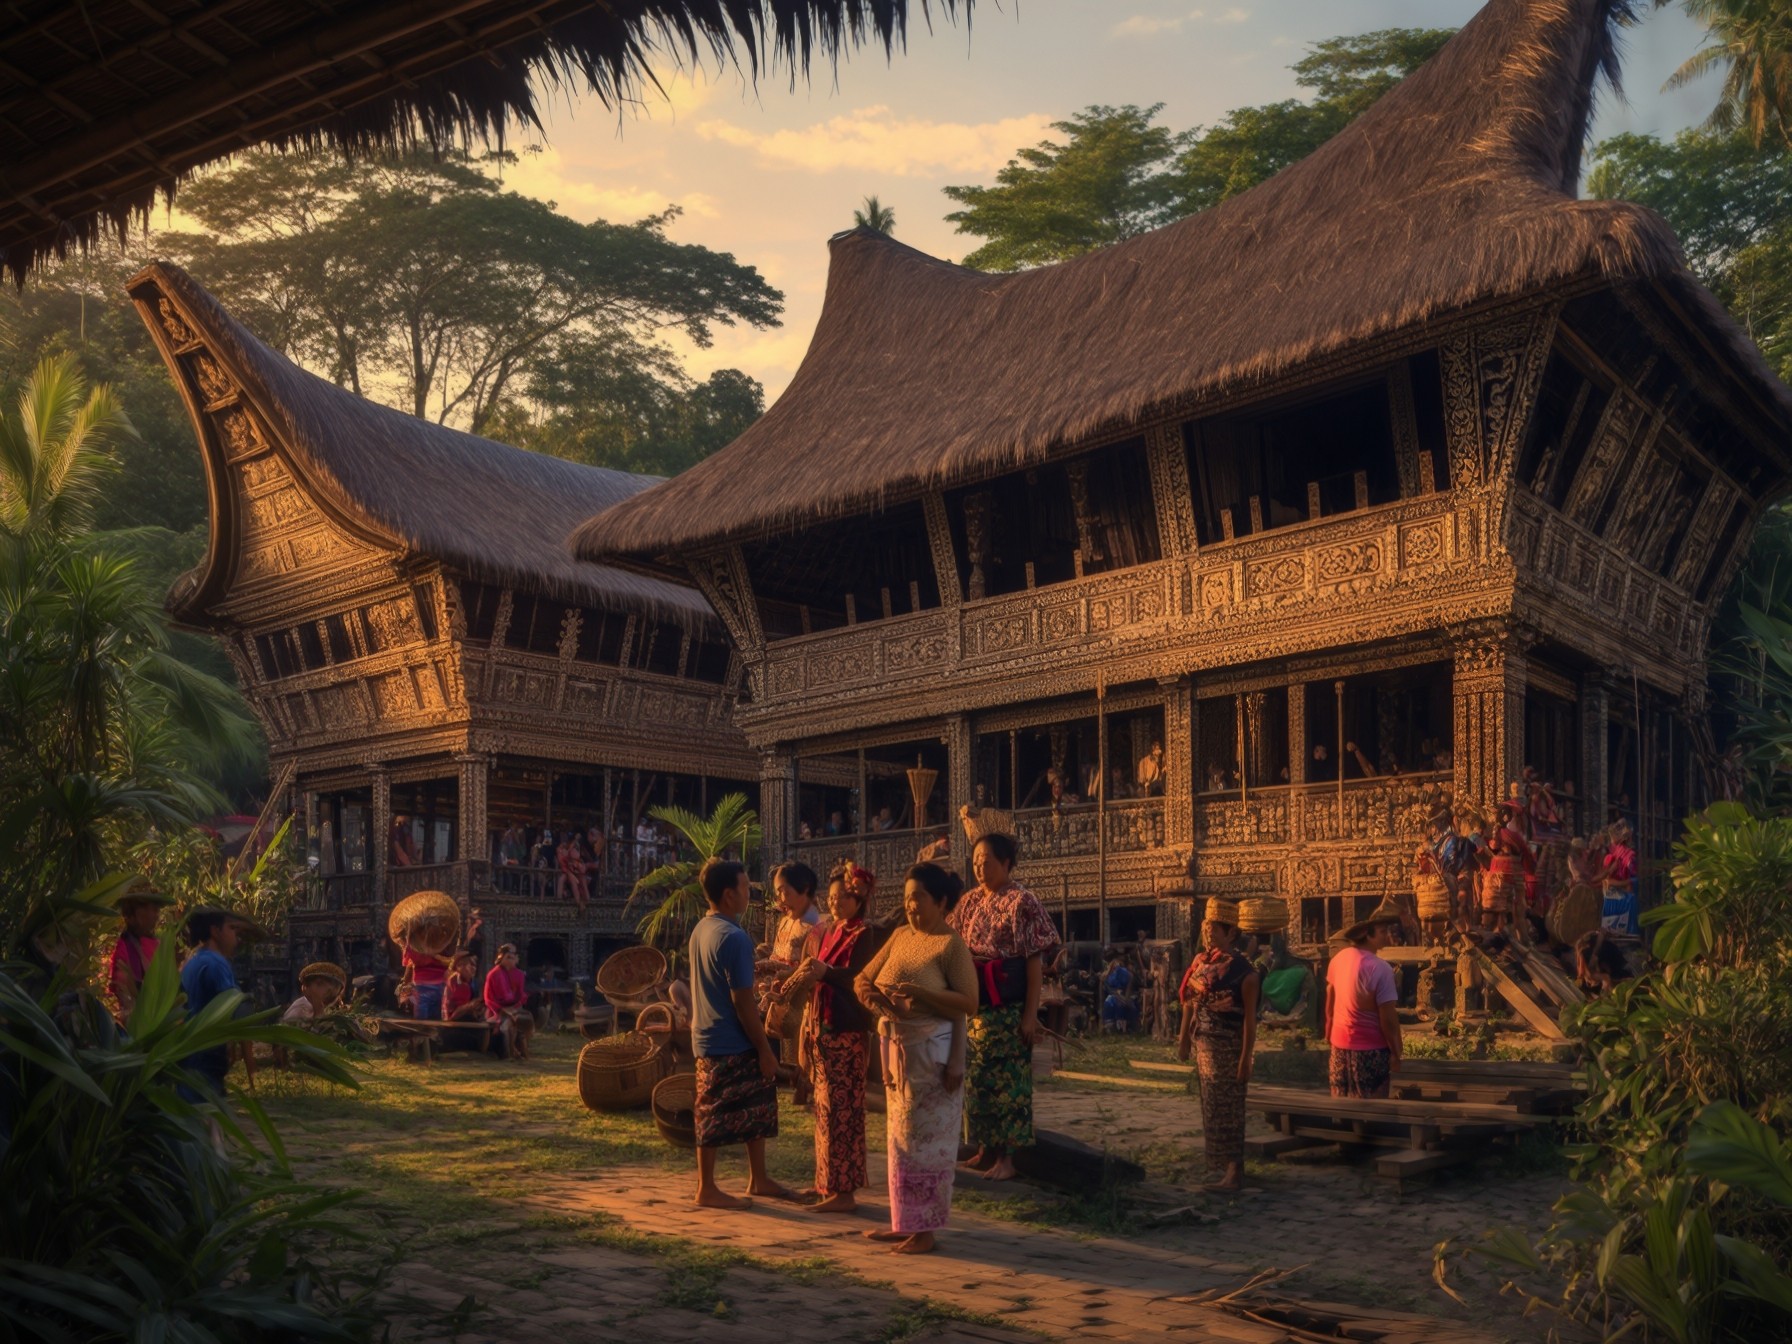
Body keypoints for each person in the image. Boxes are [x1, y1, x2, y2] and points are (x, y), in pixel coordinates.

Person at [855, 862, 978, 1254]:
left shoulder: (950, 945)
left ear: (941, 902)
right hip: (898, 1053)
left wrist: (923, 996)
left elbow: (968, 1004)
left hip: (934, 1056)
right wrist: (873, 998)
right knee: (899, 1140)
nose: (911, 907)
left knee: (929, 1143)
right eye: (907, 899)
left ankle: (924, 1230)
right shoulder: (900, 936)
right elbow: (863, 977)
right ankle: (902, 1221)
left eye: (919, 899)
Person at [949, 824, 1059, 1182]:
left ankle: (1008, 1159)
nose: (980, 867)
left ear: (1007, 862)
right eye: (976, 861)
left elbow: (1032, 962)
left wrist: (1030, 1015)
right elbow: (951, 943)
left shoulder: (1022, 901)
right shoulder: (968, 901)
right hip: (975, 1006)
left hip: (1008, 1004)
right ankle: (985, 1149)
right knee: (979, 1081)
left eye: (988, 861)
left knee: (1008, 1084)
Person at [689, 858, 791, 1208]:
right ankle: (707, 1188)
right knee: (713, 1111)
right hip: (731, 1036)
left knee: (757, 1105)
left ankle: (758, 1178)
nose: (751, 893)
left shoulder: (703, 929)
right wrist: (764, 1049)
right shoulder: (734, 937)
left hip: (706, 1034)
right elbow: (743, 1002)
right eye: (746, 887)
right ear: (730, 895)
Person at [785, 864, 888, 1212]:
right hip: (822, 1028)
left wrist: (825, 972)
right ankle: (825, 1181)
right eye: (830, 899)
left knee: (843, 1111)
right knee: (825, 1109)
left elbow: (858, 977)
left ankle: (843, 1191)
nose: (835, 905)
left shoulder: (865, 935)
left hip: (846, 1030)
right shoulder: (827, 932)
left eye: (841, 898)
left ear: (858, 898)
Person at [1176, 899, 1259, 1191]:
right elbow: (1189, 1000)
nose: (1208, 932)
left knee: (1230, 1108)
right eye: (1206, 926)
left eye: (1213, 927)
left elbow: (1250, 1019)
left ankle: (1234, 1171)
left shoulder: (1242, 970)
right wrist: (1184, 1036)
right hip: (1204, 1044)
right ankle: (1222, 1166)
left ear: (1230, 932)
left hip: (1229, 1045)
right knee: (1211, 1107)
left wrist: (1246, 1056)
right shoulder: (1201, 961)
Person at [1324, 900, 1403, 1099]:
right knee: (1373, 1112)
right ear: (1367, 935)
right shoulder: (1380, 968)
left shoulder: (1338, 959)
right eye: (1383, 932)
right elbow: (1388, 1018)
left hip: (1339, 1046)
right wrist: (1396, 1051)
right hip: (1371, 1050)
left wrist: (1328, 1030)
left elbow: (1330, 1002)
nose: (1388, 936)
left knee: (1341, 1106)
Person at [762, 860, 825, 1104]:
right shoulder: (786, 920)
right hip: (780, 993)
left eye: (785, 891)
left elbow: (813, 966)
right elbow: (778, 953)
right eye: (778, 891)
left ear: (805, 889)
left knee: (804, 1048)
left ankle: (805, 1086)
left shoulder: (817, 925)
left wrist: (785, 972)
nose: (780, 897)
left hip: (805, 997)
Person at [179, 907, 243, 1096]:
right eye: (231, 929)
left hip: (189, 1051)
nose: (236, 936)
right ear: (215, 931)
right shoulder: (216, 963)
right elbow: (230, 1005)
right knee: (210, 1114)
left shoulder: (192, 962)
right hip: (208, 1051)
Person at [106, 885, 170, 1023]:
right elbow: (123, 989)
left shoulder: (156, 943)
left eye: (156, 910)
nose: (156, 915)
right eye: (152, 909)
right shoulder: (125, 947)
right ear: (135, 913)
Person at [484, 943, 535, 1059]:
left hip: (515, 1008)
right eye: (508, 956)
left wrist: (515, 1008)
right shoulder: (493, 974)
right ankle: (510, 1052)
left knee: (523, 1019)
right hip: (496, 1010)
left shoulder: (519, 975)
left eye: (513, 956)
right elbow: (488, 999)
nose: (511, 959)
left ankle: (523, 1051)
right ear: (501, 957)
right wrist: (501, 1010)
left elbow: (521, 995)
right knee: (507, 1024)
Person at [282, 961, 346, 1025]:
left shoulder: (329, 1010)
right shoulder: (299, 1010)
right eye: (320, 984)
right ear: (306, 987)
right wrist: (318, 1011)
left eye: (336, 987)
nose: (329, 991)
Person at [443, 950, 483, 1021]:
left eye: (474, 965)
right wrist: (470, 1005)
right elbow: (452, 1009)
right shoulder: (454, 981)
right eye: (470, 964)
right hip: (454, 1018)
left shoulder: (474, 983)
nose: (473, 969)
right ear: (459, 966)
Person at [1100, 955, 1137, 1033]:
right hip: (1112, 996)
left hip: (1123, 996)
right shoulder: (1106, 976)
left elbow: (1128, 990)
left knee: (1127, 1005)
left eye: (1120, 964)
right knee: (1110, 1002)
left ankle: (1124, 1027)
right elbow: (1107, 990)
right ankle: (1112, 1027)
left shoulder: (1128, 975)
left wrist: (1125, 999)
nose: (1118, 966)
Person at [556, 831, 589, 914]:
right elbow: (564, 863)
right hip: (568, 871)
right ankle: (577, 903)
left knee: (583, 880)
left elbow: (579, 861)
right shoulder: (561, 850)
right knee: (569, 880)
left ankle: (586, 901)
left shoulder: (575, 848)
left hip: (576, 870)